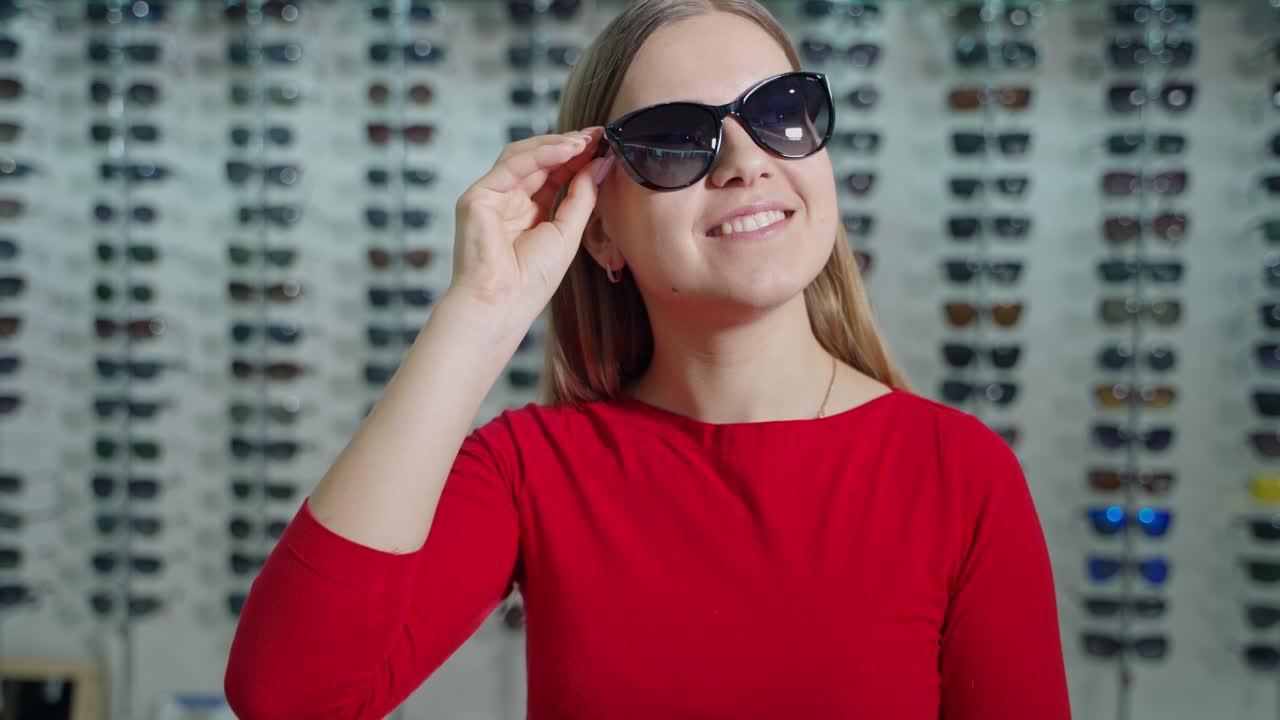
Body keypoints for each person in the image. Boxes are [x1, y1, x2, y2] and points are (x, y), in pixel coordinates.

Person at [224, 1, 1071, 718]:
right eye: (675, 140)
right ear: (599, 229)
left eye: (781, 111)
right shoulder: (532, 470)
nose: (747, 164)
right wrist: (480, 313)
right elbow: (294, 695)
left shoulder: (957, 474)